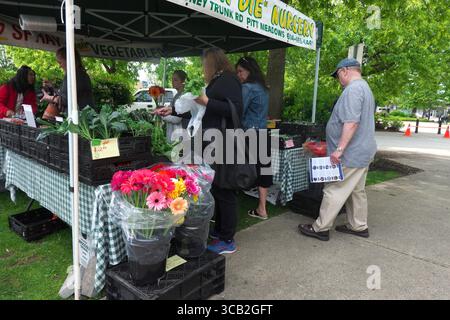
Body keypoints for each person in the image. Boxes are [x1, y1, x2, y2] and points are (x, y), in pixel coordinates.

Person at [155, 47, 243, 254]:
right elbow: (201, 112)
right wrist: (174, 111)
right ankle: (220, 231)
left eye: (205, 63)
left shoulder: (229, 80)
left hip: (225, 141)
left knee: (225, 189)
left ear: (213, 62)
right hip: (213, 142)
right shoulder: (216, 81)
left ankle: (227, 239)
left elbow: (235, 110)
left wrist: (207, 101)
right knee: (218, 188)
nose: (203, 68)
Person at [298, 58, 377, 241]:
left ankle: (320, 228)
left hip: (350, 153)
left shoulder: (353, 90)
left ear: (344, 71)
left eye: (337, 75)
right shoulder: (365, 88)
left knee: (334, 188)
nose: (338, 79)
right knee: (356, 190)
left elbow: (351, 122)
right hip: (363, 151)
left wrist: (339, 150)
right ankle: (358, 226)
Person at [235, 56, 272, 220]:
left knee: (239, 170)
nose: (239, 75)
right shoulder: (264, 88)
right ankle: (262, 209)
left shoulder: (247, 87)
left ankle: (229, 207)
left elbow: (238, 111)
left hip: (248, 134)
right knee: (264, 171)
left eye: (240, 71)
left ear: (249, 70)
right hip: (263, 133)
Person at [40, 47, 94, 114]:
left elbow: (65, 100)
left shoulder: (73, 75)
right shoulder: (80, 73)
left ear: (69, 60)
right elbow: (65, 95)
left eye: (60, 62)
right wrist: (52, 87)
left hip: (82, 119)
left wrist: (48, 97)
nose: (60, 66)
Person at [160, 70, 188, 142]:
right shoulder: (177, 95)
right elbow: (170, 109)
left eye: (175, 80)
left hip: (179, 134)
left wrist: (161, 114)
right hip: (173, 133)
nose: (172, 82)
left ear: (183, 82)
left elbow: (176, 119)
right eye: (172, 79)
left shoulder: (184, 96)